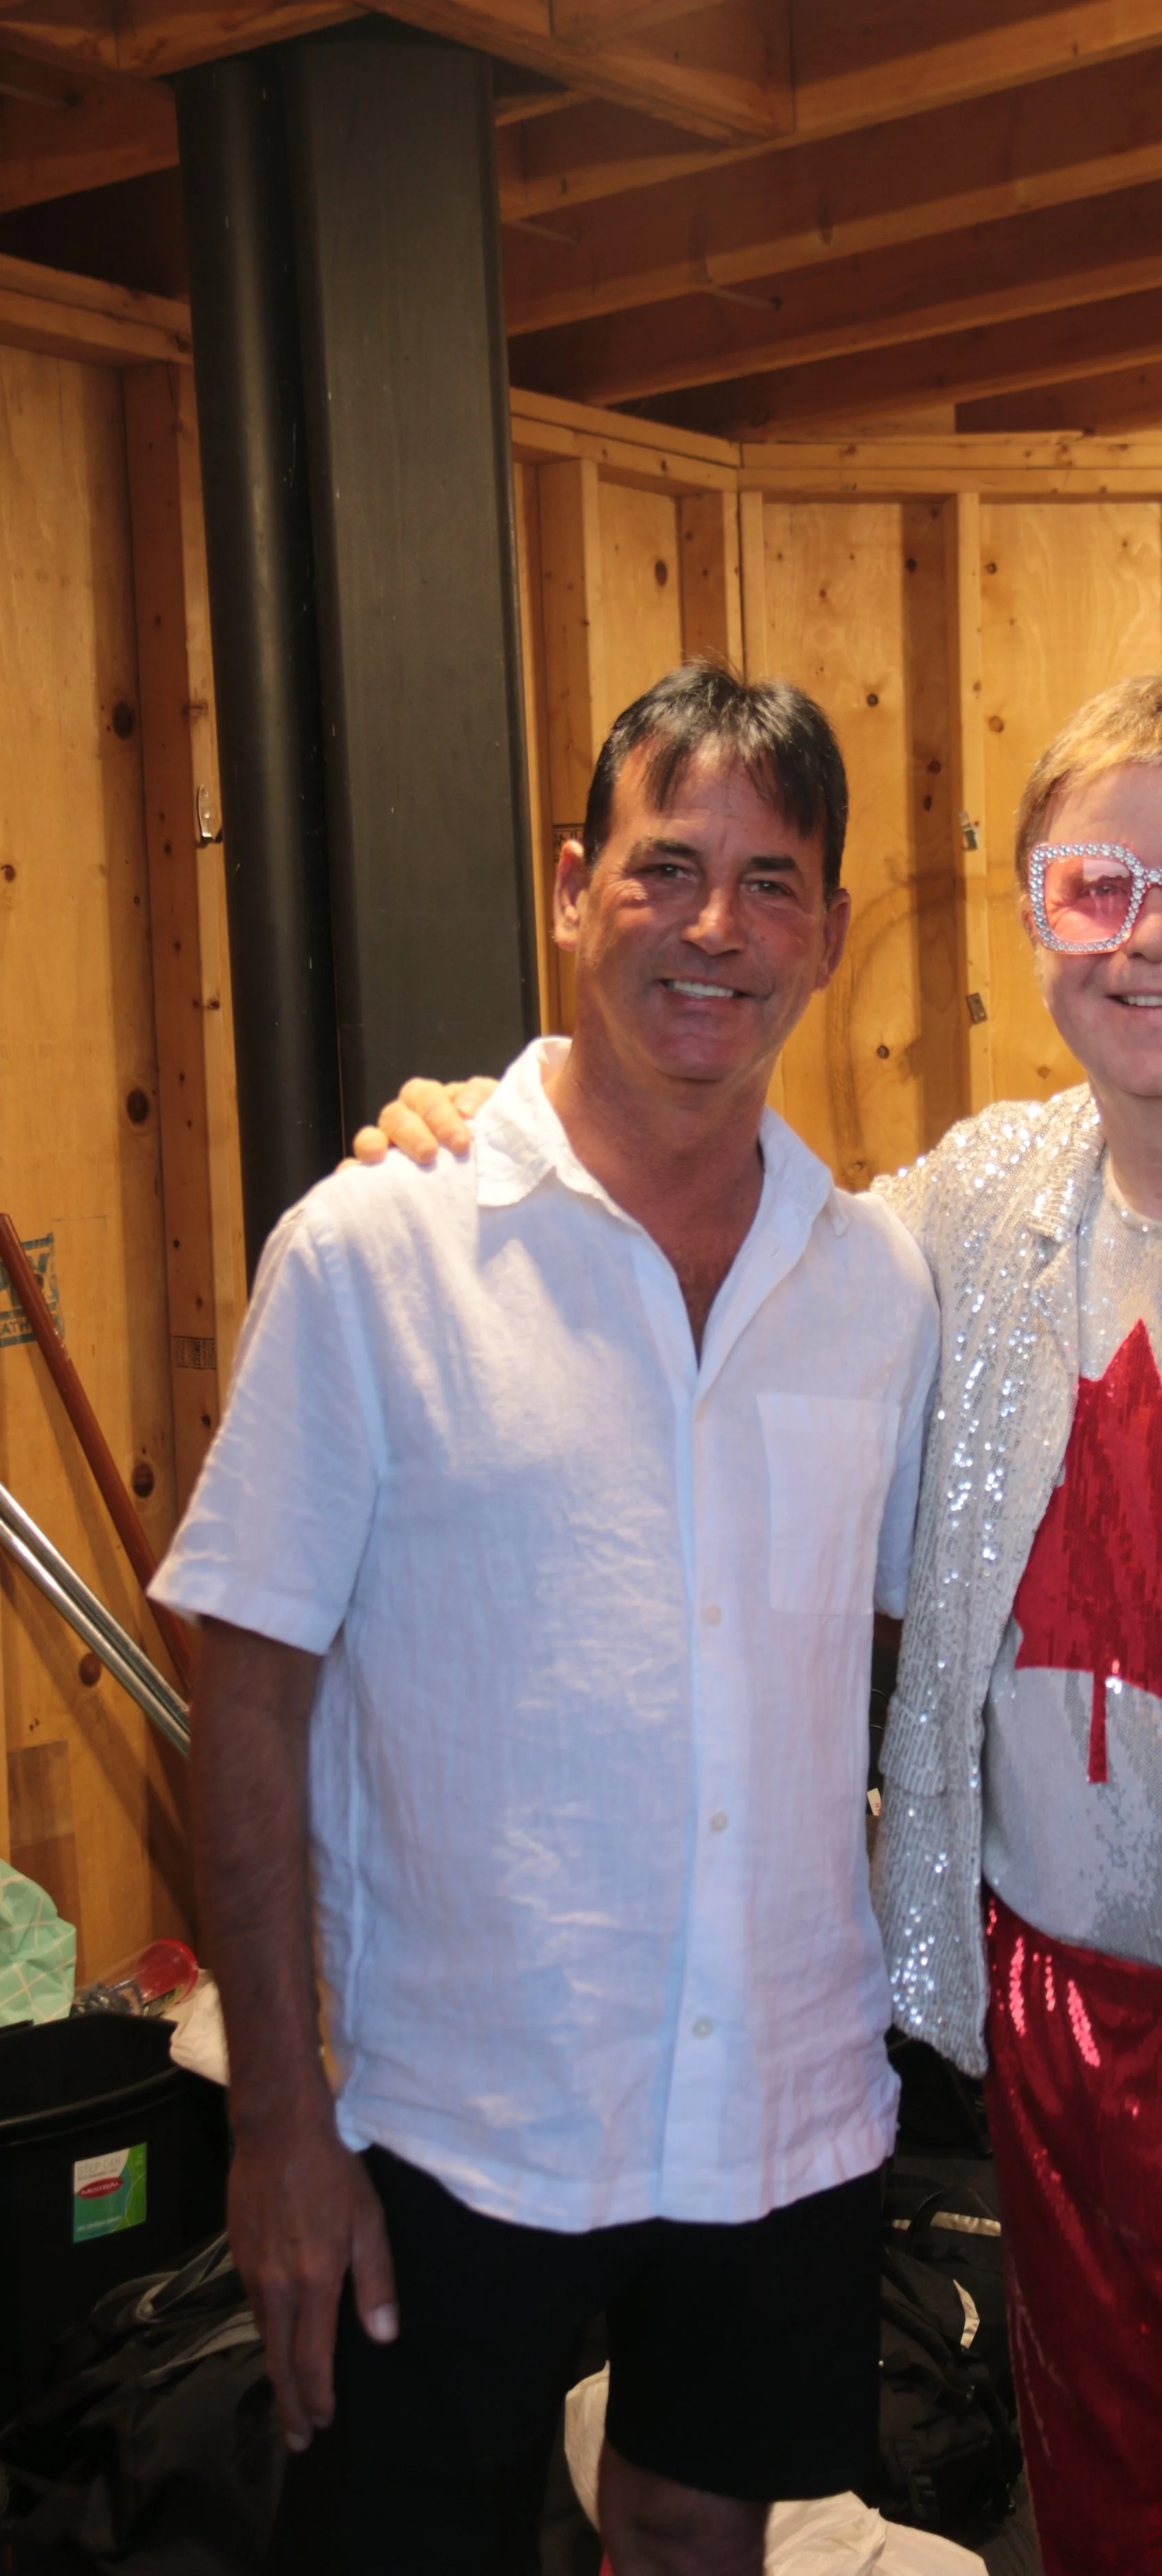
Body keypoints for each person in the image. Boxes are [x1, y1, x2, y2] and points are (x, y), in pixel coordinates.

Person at [371, 666, 1162, 2575]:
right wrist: (492, 1137)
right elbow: (715, 1223)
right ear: (1033, 923)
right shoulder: (967, 1212)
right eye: (1095, 889)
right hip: (1058, 2052)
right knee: (1103, 2535)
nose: (1153, 941)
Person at [150, 662, 940, 2576]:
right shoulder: (375, 1252)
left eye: (771, 885)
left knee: (689, 2532)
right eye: (668, 867)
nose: (714, 929)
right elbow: (241, 1700)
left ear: (828, 937)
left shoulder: (879, 1283)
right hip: (449, 2104)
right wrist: (275, 2120)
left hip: (780, 2090)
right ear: (575, 883)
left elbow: (889, 1655)